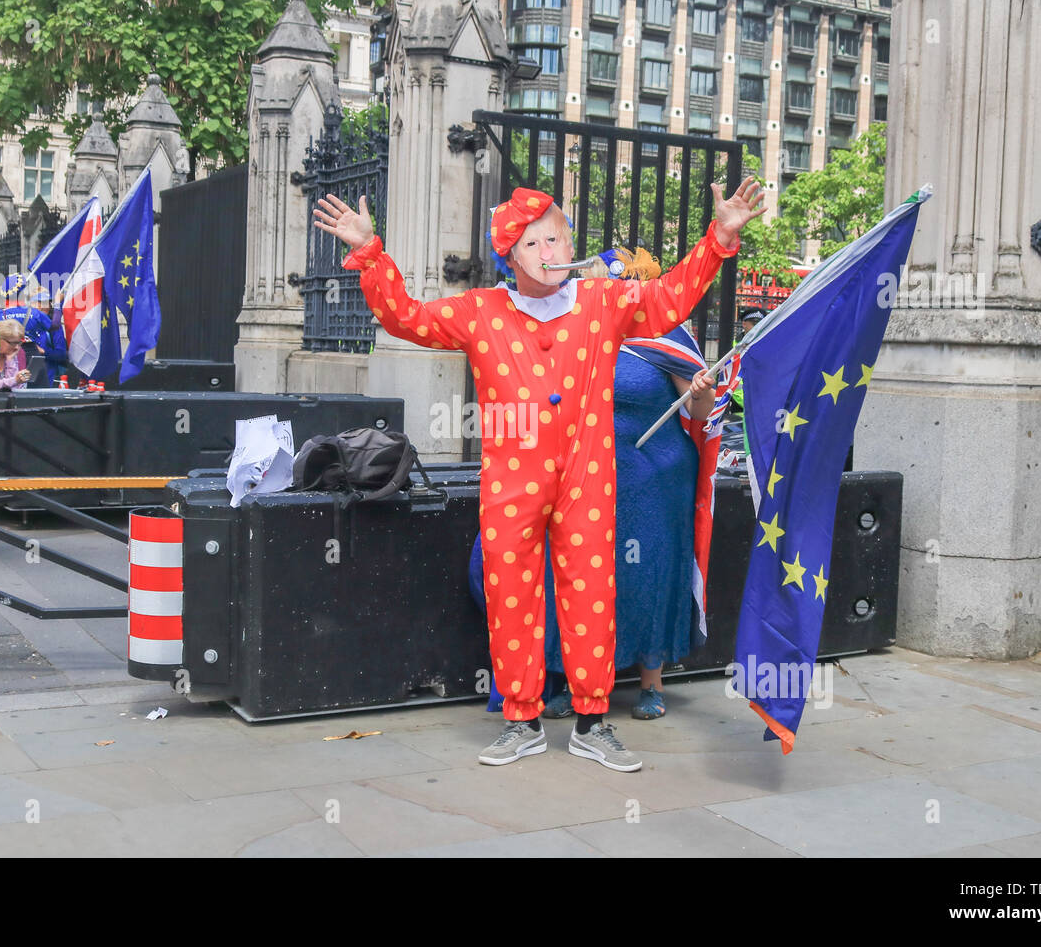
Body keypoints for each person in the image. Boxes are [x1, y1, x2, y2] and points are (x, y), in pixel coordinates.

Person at [313, 178, 764, 772]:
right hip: (512, 482)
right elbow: (405, 319)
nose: (552, 252)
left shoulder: (602, 303)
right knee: (511, 592)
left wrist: (719, 236)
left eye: (557, 238)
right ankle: (521, 721)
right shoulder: (480, 312)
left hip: (587, 476)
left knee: (592, 590)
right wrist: (370, 253)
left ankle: (592, 722)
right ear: (511, 256)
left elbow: (667, 301)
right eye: (535, 244)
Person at [470, 320, 717, 721]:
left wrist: (701, 393)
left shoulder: (665, 336)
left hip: (654, 478)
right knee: (578, 575)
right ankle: (577, 683)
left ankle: (651, 684)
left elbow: (697, 410)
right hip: (584, 474)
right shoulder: (576, 331)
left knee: (644, 576)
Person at [0, 320, 31, 391]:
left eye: (19, 343)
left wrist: (10, 360)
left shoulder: (17, 353)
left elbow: (13, 389)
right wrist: (14, 380)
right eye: (13, 343)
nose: (16, 347)